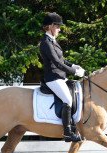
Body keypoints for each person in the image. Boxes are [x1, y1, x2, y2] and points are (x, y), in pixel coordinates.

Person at [39, 12, 85, 142]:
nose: (59, 29)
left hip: (60, 76)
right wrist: (74, 72)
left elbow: (62, 60)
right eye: (58, 26)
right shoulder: (45, 42)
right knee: (68, 100)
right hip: (52, 78)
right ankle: (67, 133)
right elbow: (57, 63)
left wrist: (74, 65)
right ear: (51, 26)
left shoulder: (52, 41)